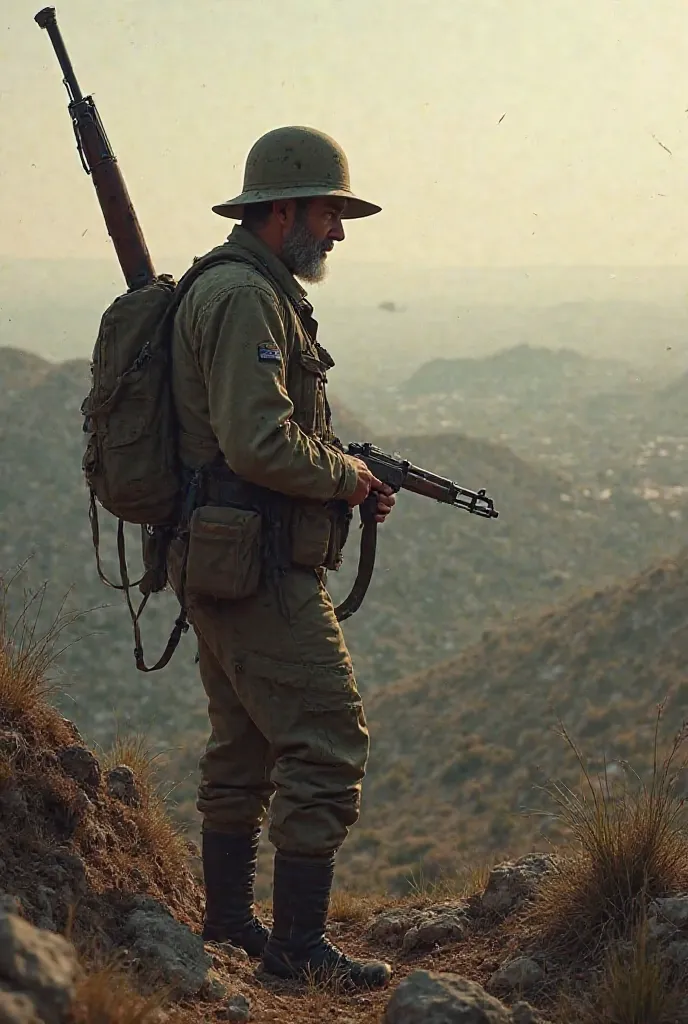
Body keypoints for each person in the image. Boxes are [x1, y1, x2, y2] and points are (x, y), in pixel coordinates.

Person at [169, 125, 395, 989]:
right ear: (285, 210)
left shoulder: (248, 288)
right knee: (329, 740)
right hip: (253, 561)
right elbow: (260, 443)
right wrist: (345, 479)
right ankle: (298, 954)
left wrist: (346, 477)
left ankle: (229, 924)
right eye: (331, 213)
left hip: (224, 555)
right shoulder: (244, 298)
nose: (337, 232)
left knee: (244, 746)